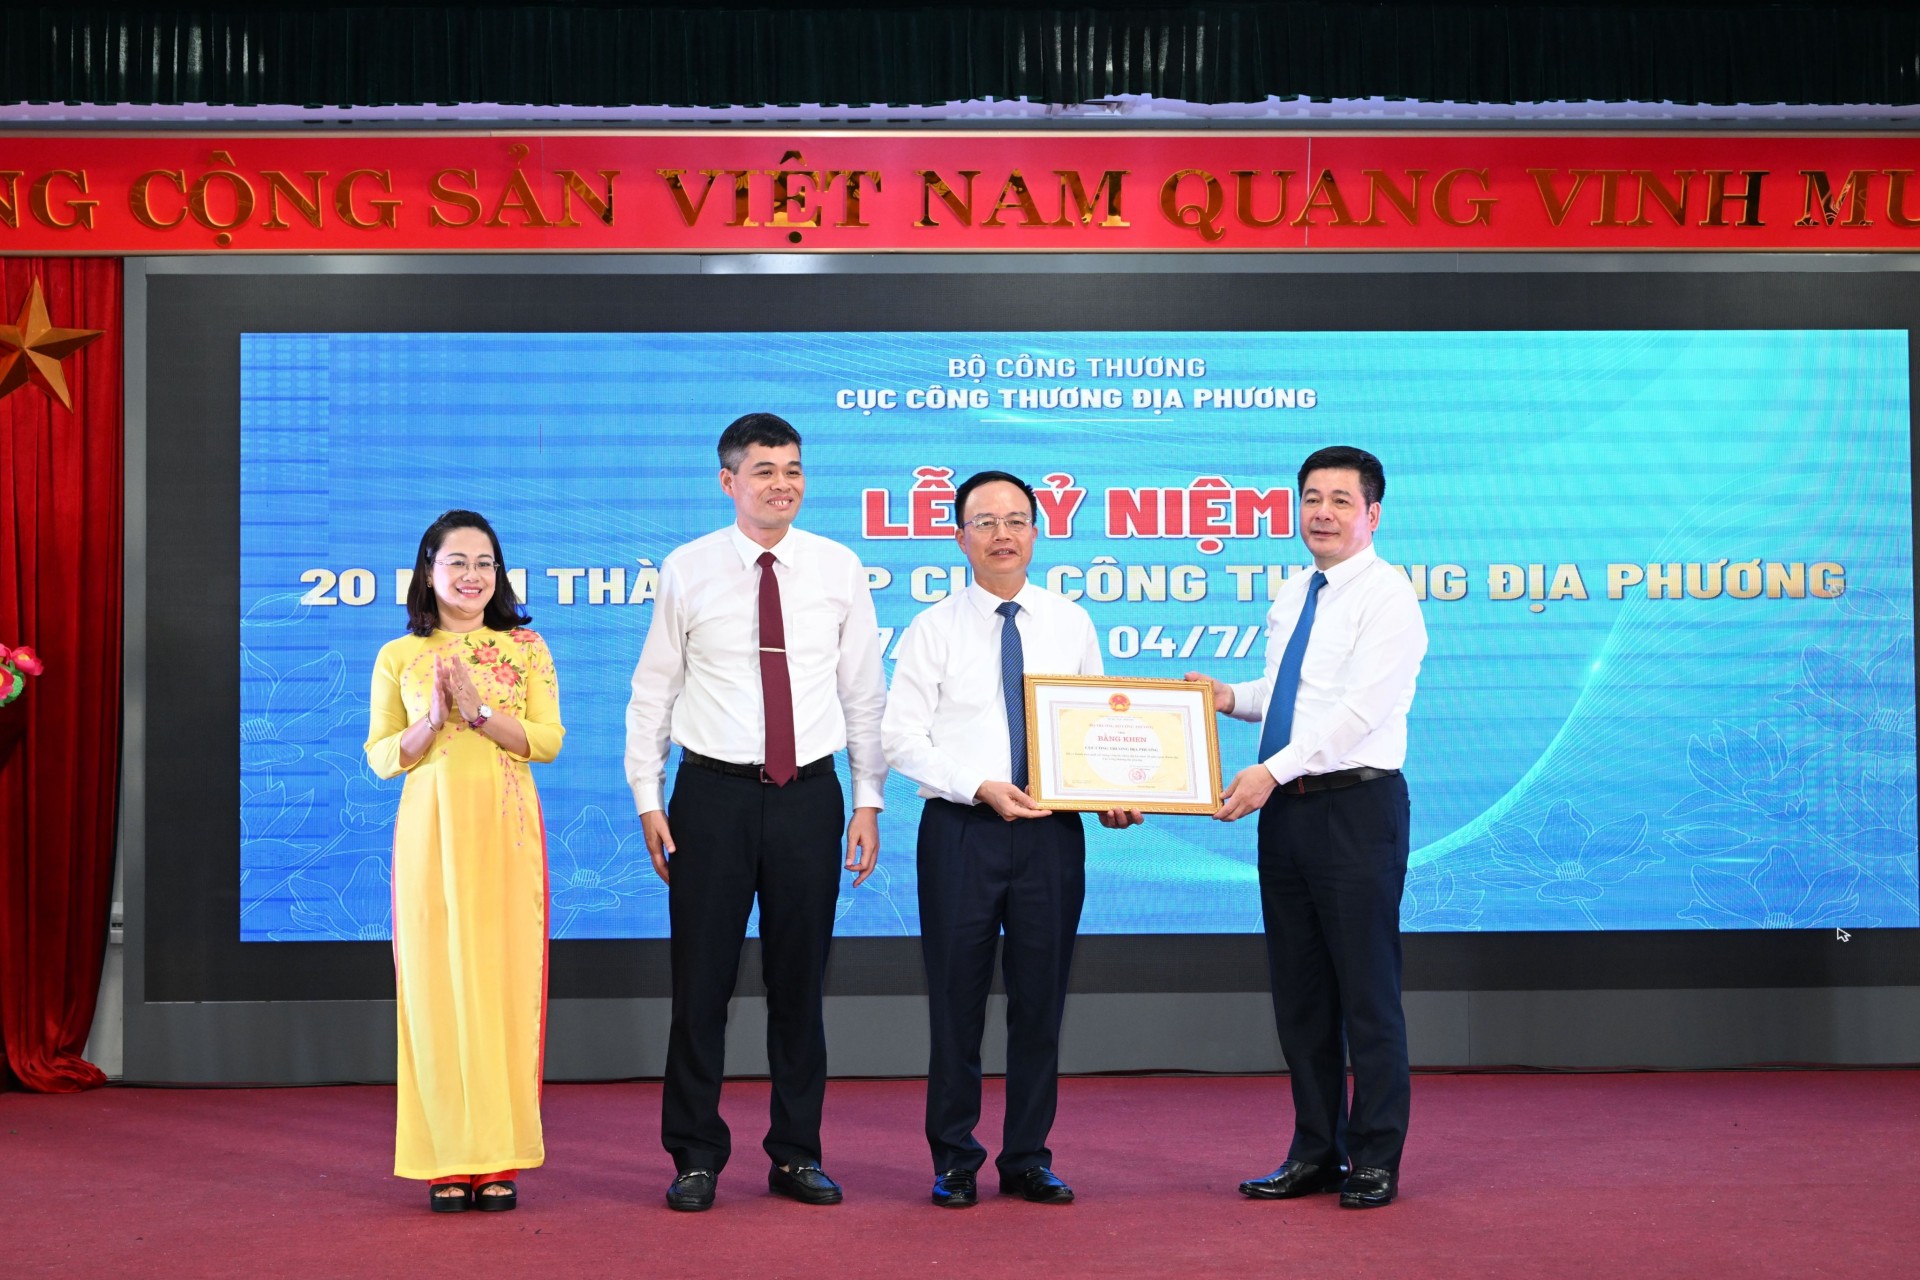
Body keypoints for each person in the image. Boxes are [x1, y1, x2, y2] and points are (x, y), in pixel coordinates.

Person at [625, 412, 887, 1213]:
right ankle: (695, 1154)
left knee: (799, 985)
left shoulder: (839, 567)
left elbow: (862, 696)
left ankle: (796, 1154)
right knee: (700, 983)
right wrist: (648, 796)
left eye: (795, 469)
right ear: (728, 481)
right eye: (766, 470)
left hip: (811, 796)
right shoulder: (688, 568)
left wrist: (868, 798)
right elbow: (652, 693)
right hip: (711, 798)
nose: (783, 484)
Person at [882, 469, 1143, 1210]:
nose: (1002, 533)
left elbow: (1097, 727)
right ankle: (955, 1158)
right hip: (962, 831)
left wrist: (1112, 797)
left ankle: (1028, 1156)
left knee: (1040, 1002)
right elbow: (900, 737)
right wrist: (978, 784)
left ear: (1038, 532)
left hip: (1052, 835)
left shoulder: (1071, 622)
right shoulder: (932, 627)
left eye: (1016, 519)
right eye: (985, 520)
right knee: (956, 1003)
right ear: (959, 536)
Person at [1188, 445, 1427, 1210]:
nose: (1322, 513)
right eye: (1311, 498)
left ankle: (1376, 1158)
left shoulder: (1389, 599)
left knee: (1366, 993)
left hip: (1355, 810)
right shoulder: (1296, 591)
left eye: (1339, 500)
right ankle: (1315, 1150)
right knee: (1301, 996)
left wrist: (1267, 773)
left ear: (1372, 514)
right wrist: (1227, 697)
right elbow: (1291, 695)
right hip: (1289, 813)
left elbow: (1357, 715)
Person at [365, 509, 565, 1214]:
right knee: (434, 988)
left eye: (485, 563)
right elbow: (382, 757)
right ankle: (445, 1158)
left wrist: (479, 712)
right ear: (428, 571)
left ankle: (498, 1153)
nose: (473, 576)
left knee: (502, 988)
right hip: (429, 837)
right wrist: (432, 719)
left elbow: (546, 741)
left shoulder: (527, 649)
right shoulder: (398, 656)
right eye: (457, 562)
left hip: (508, 836)